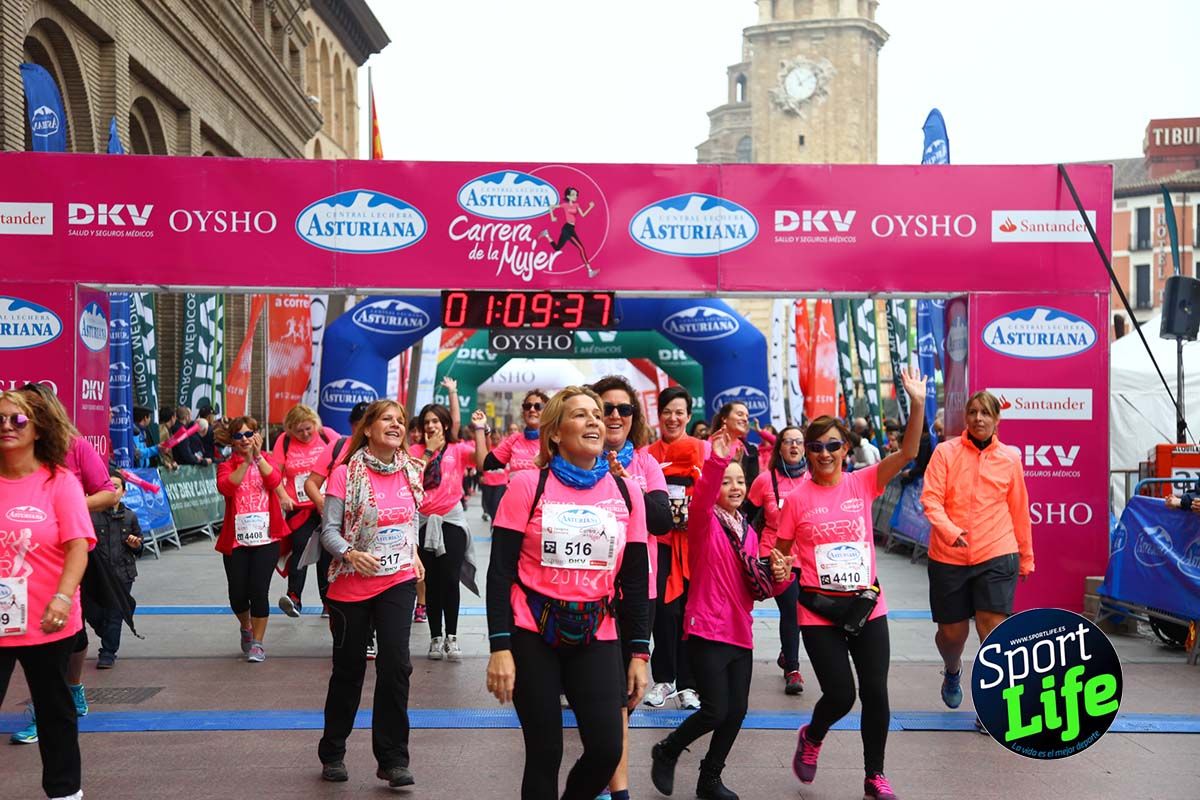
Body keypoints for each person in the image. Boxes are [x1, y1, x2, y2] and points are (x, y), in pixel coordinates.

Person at [486, 386, 650, 800]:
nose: (595, 421)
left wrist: (639, 654)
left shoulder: (628, 493)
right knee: (545, 753)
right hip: (531, 631)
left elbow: (633, 582)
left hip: (598, 632)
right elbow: (500, 570)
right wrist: (499, 646)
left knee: (607, 749)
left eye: (597, 414)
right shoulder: (527, 485)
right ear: (555, 432)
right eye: (581, 415)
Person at [775, 367, 926, 800]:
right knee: (841, 695)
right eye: (816, 446)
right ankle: (813, 735)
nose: (824, 453)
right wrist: (780, 567)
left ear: (846, 449)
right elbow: (781, 551)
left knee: (875, 691)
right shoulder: (797, 500)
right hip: (818, 611)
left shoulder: (862, 482)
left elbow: (911, 451)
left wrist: (916, 402)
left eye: (833, 445)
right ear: (806, 451)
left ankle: (874, 775)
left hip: (865, 606)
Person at [650, 428, 792, 800]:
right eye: (726, 481)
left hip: (739, 632)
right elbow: (703, 497)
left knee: (737, 711)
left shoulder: (747, 531)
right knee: (715, 710)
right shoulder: (704, 520)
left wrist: (780, 577)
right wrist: (715, 460)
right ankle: (667, 750)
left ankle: (709, 778)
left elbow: (755, 588)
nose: (734, 486)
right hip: (707, 628)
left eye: (740, 480)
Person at [315, 400, 427, 788]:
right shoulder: (345, 473)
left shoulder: (412, 470)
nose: (396, 425)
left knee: (396, 666)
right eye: (388, 419)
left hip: (396, 580)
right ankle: (333, 751)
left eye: (401, 421)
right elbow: (328, 531)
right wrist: (350, 553)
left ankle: (393, 759)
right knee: (349, 671)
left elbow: (410, 517)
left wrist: (412, 553)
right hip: (351, 586)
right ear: (368, 428)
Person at [0, 389, 95, 800]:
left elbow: (78, 546)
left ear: (37, 428)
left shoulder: (60, 482)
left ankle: (64, 792)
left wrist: (62, 596)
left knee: (54, 711)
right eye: (0, 419)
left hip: (47, 619)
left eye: (17, 420)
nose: (6, 426)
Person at [920, 390, 1033, 731]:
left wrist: (1025, 557)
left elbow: (1019, 509)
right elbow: (931, 500)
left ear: (997, 420)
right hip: (948, 554)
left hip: (997, 553)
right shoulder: (945, 452)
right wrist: (949, 530)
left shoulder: (1010, 459)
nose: (979, 419)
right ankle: (952, 669)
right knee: (952, 635)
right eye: (973, 413)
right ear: (965, 418)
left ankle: (993, 706)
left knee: (993, 631)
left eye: (986, 413)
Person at [11, 383, 117, 746]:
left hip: (66, 555)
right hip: (15, 569)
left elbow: (108, 490)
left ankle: (72, 690)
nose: (16, 423)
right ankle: (44, 711)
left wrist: (65, 507)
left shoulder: (75, 449)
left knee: (72, 637)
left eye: (26, 415)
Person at [591, 375, 674, 800]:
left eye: (625, 409)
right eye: (607, 408)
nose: (616, 416)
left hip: (640, 592)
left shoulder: (645, 463)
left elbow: (662, 520)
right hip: (589, 591)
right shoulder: (578, 460)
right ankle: (615, 786)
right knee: (612, 698)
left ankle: (605, 772)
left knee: (630, 692)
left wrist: (629, 486)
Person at [408, 390, 482, 662]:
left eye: (435, 421)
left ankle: (452, 637)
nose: (430, 426)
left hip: (451, 522)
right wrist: (428, 451)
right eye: (426, 422)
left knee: (450, 580)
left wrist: (480, 430)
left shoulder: (458, 449)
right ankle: (435, 638)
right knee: (431, 581)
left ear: (445, 424)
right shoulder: (414, 452)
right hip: (423, 523)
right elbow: (411, 478)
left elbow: (482, 461)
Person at [645, 387, 705, 711]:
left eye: (679, 411)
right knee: (664, 613)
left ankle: (689, 685)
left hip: (694, 545)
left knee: (691, 613)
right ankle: (663, 680)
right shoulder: (648, 453)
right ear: (659, 415)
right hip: (662, 544)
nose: (673, 417)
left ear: (688, 415)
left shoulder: (702, 449)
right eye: (667, 411)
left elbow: (716, 491)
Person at [214, 416, 287, 663]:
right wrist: (244, 463)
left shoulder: (267, 460)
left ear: (257, 435)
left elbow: (275, 481)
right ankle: (246, 626)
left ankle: (257, 642)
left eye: (249, 434)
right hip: (236, 541)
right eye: (238, 436)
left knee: (259, 590)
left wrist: (256, 458)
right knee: (237, 594)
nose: (244, 439)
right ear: (232, 441)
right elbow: (226, 488)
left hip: (266, 540)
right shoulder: (227, 465)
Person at [745, 424, 807, 695]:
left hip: (808, 557)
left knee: (802, 614)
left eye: (799, 442)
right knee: (791, 609)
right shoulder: (765, 480)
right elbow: (745, 516)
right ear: (779, 447)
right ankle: (793, 669)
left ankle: (787, 655)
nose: (794, 446)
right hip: (774, 555)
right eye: (788, 441)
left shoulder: (814, 478)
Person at [303, 400, 371, 621]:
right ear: (352, 425)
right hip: (336, 526)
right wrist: (324, 506)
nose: (363, 427)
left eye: (368, 421)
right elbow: (311, 483)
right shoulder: (338, 446)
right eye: (359, 422)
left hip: (368, 529)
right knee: (329, 567)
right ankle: (329, 605)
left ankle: (367, 630)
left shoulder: (383, 451)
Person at [273, 404, 331, 617]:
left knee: (328, 553)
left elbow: (345, 459)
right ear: (290, 430)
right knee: (300, 548)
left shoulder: (326, 436)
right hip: (300, 508)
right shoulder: (284, 441)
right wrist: (283, 496)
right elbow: (274, 474)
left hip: (326, 505)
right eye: (300, 431)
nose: (306, 434)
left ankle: (329, 602)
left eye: (309, 429)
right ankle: (294, 597)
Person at [84, 473, 143, 669]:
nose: (113, 491)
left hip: (123, 574)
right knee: (93, 613)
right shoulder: (91, 515)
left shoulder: (130, 516)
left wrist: (135, 545)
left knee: (115, 614)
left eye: (117, 487)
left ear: (124, 492)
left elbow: (140, 546)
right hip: (97, 575)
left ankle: (108, 652)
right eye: (109, 487)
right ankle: (108, 630)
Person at [537, 186, 598, 277]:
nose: (575, 196)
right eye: (573, 195)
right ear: (568, 196)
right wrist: (552, 217)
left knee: (557, 248)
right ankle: (590, 271)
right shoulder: (565, 205)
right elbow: (551, 207)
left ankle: (546, 234)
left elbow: (583, 215)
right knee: (581, 248)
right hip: (567, 229)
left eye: (576, 195)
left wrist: (590, 207)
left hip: (570, 228)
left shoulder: (576, 205)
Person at [708, 402, 760, 490]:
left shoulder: (749, 450)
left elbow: (752, 483)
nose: (745, 419)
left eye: (747, 416)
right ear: (724, 418)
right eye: (740, 414)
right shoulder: (707, 445)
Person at [479, 429, 507, 523]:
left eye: (497, 439)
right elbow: (480, 460)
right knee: (488, 504)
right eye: (493, 439)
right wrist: (480, 476)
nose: (495, 441)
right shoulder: (488, 447)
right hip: (488, 481)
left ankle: (495, 522)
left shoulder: (505, 448)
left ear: (501, 438)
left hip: (501, 482)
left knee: (496, 503)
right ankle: (492, 519)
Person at [157, 406, 178, 471]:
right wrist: (166, 462)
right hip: (164, 466)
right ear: (172, 418)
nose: (176, 419)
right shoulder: (163, 430)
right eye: (175, 417)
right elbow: (162, 450)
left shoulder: (167, 429)